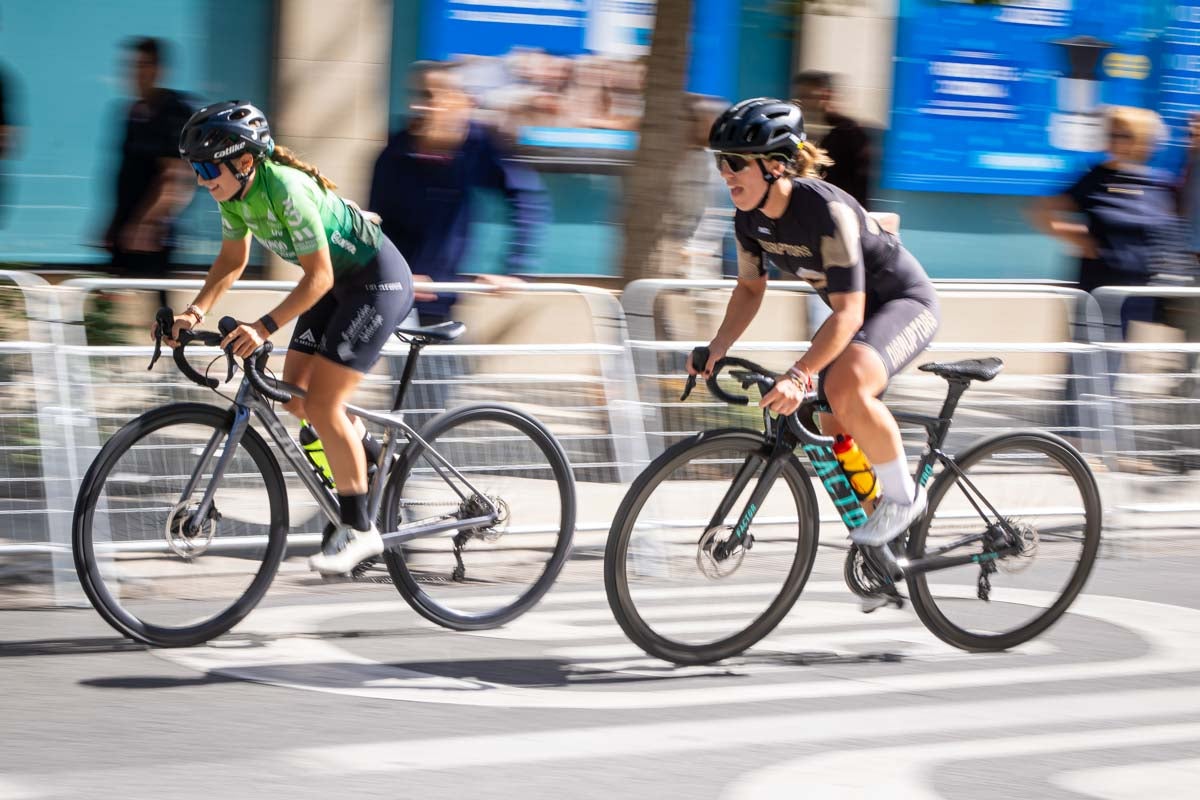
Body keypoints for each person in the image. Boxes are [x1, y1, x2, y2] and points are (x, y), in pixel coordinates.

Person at [170, 100, 415, 575]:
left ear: (244, 161)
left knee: (324, 404)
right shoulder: (236, 196)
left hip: (374, 283)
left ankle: (360, 528)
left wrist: (262, 327)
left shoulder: (283, 187)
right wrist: (195, 310)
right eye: (194, 168)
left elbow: (318, 278)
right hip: (338, 286)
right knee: (298, 400)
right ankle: (372, 459)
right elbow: (230, 262)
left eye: (207, 167)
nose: (201, 179)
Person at [695, 97, 940, 549]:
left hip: (905, 304)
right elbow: (750, 289)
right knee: (835, 429)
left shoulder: (825, 213)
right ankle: (885, 556)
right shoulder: (749, 220)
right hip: (860, 317)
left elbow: (849, 313)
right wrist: (717, 346)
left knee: (843, 385)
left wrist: (798, 373)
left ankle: (905, 497)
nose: (725, 174)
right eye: (720, 164)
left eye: (735, 163)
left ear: (776, 166)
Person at [368, 60, 549, 327]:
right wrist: (396, 273)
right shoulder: (397, 153)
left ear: (462, 101)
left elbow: (527, 200)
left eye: (434, 95)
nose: (422, 106)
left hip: (443, 298)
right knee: (406, 365)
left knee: (438, 365)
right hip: (398, 294)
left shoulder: (478, 147)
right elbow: (373, 224)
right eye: (419, 96)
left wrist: (514, 271)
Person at [102, 38, 194, 280]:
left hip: (152, 236)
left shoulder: (175, 111)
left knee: (155, 308)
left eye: (142, 66)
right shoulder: (131, 113)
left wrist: (145, 224)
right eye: (131, 67)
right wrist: (113, 225)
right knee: (111, 301)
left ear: (158, 70)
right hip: (125, 234)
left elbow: (176, 178)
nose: (135, 74)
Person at [792, 70, 873, 209]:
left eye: (809, 96)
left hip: (836, 208)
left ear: (827, 96)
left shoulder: (849, 134)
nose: (803, 102)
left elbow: (858, 185)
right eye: (801, 96)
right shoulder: (795, 129)